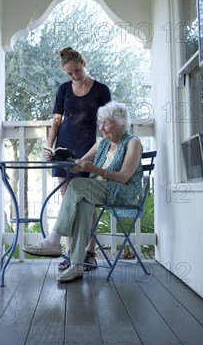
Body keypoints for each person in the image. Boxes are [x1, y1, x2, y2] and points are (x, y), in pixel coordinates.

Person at [25, 102, 143, 283]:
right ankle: (77, 266)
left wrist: (95, 170)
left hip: (122, 190)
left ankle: (54, 240)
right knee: (83, 203)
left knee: (78, 185)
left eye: (106, 123)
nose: (101, 128)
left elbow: (124, 177)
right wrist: (63, 160)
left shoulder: (133, 142)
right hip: (99, 189)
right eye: (100, 122)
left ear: (120, 123)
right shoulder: (103, 143)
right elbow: (80, 164)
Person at [44, 47, 111, 271]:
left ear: (83, 62)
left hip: (88, 150)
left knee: (86, 204)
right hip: (64, 149)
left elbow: (106, 128)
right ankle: (71, 255)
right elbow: (56, 120)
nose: (75, 76)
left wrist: (97, 153)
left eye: (77, 70)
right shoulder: (63, 90)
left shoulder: (101, 90)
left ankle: (90, 254)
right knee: (67, 203)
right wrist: (49, 146)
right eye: (70, 73)